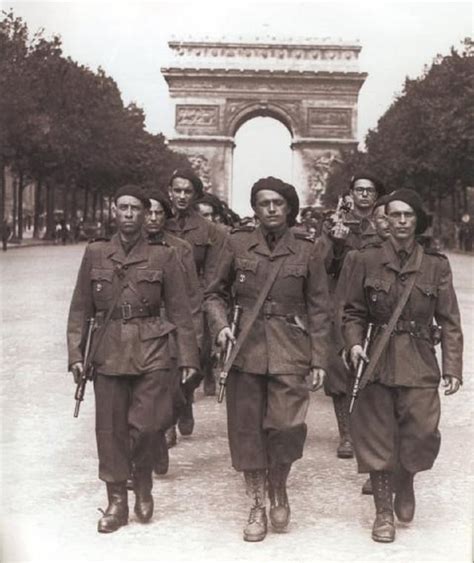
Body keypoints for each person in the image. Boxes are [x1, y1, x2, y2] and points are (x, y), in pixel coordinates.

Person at [67, 185, 199, 533]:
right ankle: (117, 501)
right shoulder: (96, 253)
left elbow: (181, 310)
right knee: (110, 430)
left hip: (152, 347)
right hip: (107, 350)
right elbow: (81, 307)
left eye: (135, 209)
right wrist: (76, 354)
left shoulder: (163, 256)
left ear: (145, 214)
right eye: (123, 207)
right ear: (115, 211)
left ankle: (142, 480)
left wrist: (188, 356)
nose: (128, 214)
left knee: (149, 426)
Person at [205, 177, 330, 542]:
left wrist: (320, 358)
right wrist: (220, 326)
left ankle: (280, 484)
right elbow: (213, 293)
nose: (271, 209)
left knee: (287, 428)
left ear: (289, 207)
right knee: (247, 431)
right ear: (255, 208)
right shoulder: (237, 242)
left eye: (278, 202)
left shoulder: (309, 248)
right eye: (263, 203)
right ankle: (257, 503)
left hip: (291, 349)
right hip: (244, 349)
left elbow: (321, 308)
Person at [342, 188, 463, 543]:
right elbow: (351, 311)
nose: (401, 222)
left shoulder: (435, 264)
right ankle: (382, 513)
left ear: (418, 221)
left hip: (420, 360)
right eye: (394, 215)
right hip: (377, 360)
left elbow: (450, 319)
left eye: (408, 215)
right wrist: (352, 344)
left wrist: (453, 366)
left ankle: (406, 479)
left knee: (422, 433)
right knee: (378, 438)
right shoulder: (366, 260)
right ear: (385, 220)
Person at [320, 173, 384, 459]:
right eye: (359, 189)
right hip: (342, 299)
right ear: (350, 193)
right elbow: (320, 265)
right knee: (338, 367)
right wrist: (335, 243)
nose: (364, 195)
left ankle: (368, 430)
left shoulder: (385, 222)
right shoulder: (334, 223)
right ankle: (346, 433)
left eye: (370, 190)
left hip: (377, 299)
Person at [144, 187, 204, 464]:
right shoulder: (120, 246)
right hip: (139, 331)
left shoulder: (181, 249)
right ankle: (156, 437)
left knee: (172, 389)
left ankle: (174, 415)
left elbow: (192, 297)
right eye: (148, 212)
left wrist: (193, 340)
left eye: (159, 213)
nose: (152, 218)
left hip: (170, 329)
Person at [165, 169, 227, 420]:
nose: (181, 196)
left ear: (196, 195)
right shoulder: (159, 222)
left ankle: (186, 397)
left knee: (199, 359)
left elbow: (213, 274)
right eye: (177, 190)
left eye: (187, 191)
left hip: (195, 302)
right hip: (164, 302)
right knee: (167, 359)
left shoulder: (210, 230)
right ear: (169, 192)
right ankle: (171, 416)